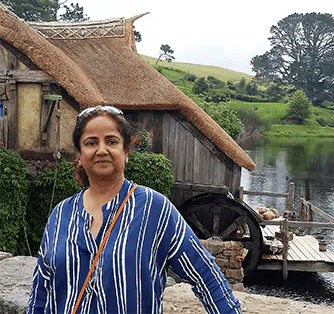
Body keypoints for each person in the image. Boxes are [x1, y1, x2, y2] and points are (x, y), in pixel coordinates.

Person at [27, 106, 242, 314]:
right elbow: (40, 292)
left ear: (126, 150)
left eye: (111, 141)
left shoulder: (154, 209)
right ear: (80, 155)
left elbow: (205, 274)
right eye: (91, 143)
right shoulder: (61, 214)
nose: (102, 150)